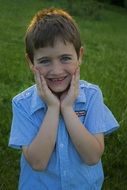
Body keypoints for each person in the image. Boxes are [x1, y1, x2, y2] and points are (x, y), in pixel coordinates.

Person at [9, 7, 119, 190]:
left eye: (65, 58)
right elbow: (38, 162)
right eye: (45, 61)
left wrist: (67, 109)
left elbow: (92, 157)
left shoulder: (92, 96)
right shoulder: (22, 104)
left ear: (80, 56)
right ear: (30, 62)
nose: (57, 70)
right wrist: (53, 108)